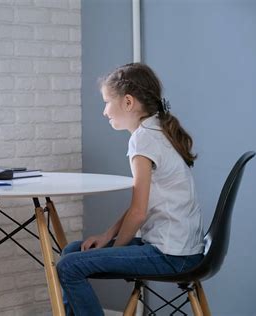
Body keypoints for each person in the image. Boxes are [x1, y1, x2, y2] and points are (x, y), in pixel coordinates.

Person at [56, 63, 204, 315]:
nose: (104, 112)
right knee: (71, 252)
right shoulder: (156, 129)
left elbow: (138, 213)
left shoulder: (142, 140)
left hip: (171, 255)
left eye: (106, 102)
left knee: (69, 266)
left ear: (127, 102)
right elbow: (140, 205)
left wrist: (114, 252)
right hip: (182, 248)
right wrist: (107, 236)